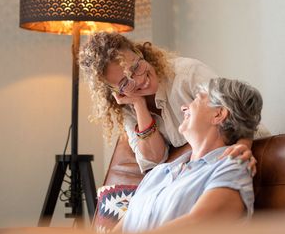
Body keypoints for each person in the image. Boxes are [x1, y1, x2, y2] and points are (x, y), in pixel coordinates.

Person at [79, 32, 269, 174]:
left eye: (136, 66)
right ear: (113, 91)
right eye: (124, 82)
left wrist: (244, 146)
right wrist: (139, 105)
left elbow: (237, 109)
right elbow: (153, 161)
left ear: (139, 52)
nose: (138, 80)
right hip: (198, 168)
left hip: (246, 148)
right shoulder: (127, 105)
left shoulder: (186, 74)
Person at [117, 77, 262, 233]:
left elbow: (196, 226)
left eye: (196, 99)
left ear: (218, 114)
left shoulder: (232, 167)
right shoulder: (158, 173)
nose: (183, 107)